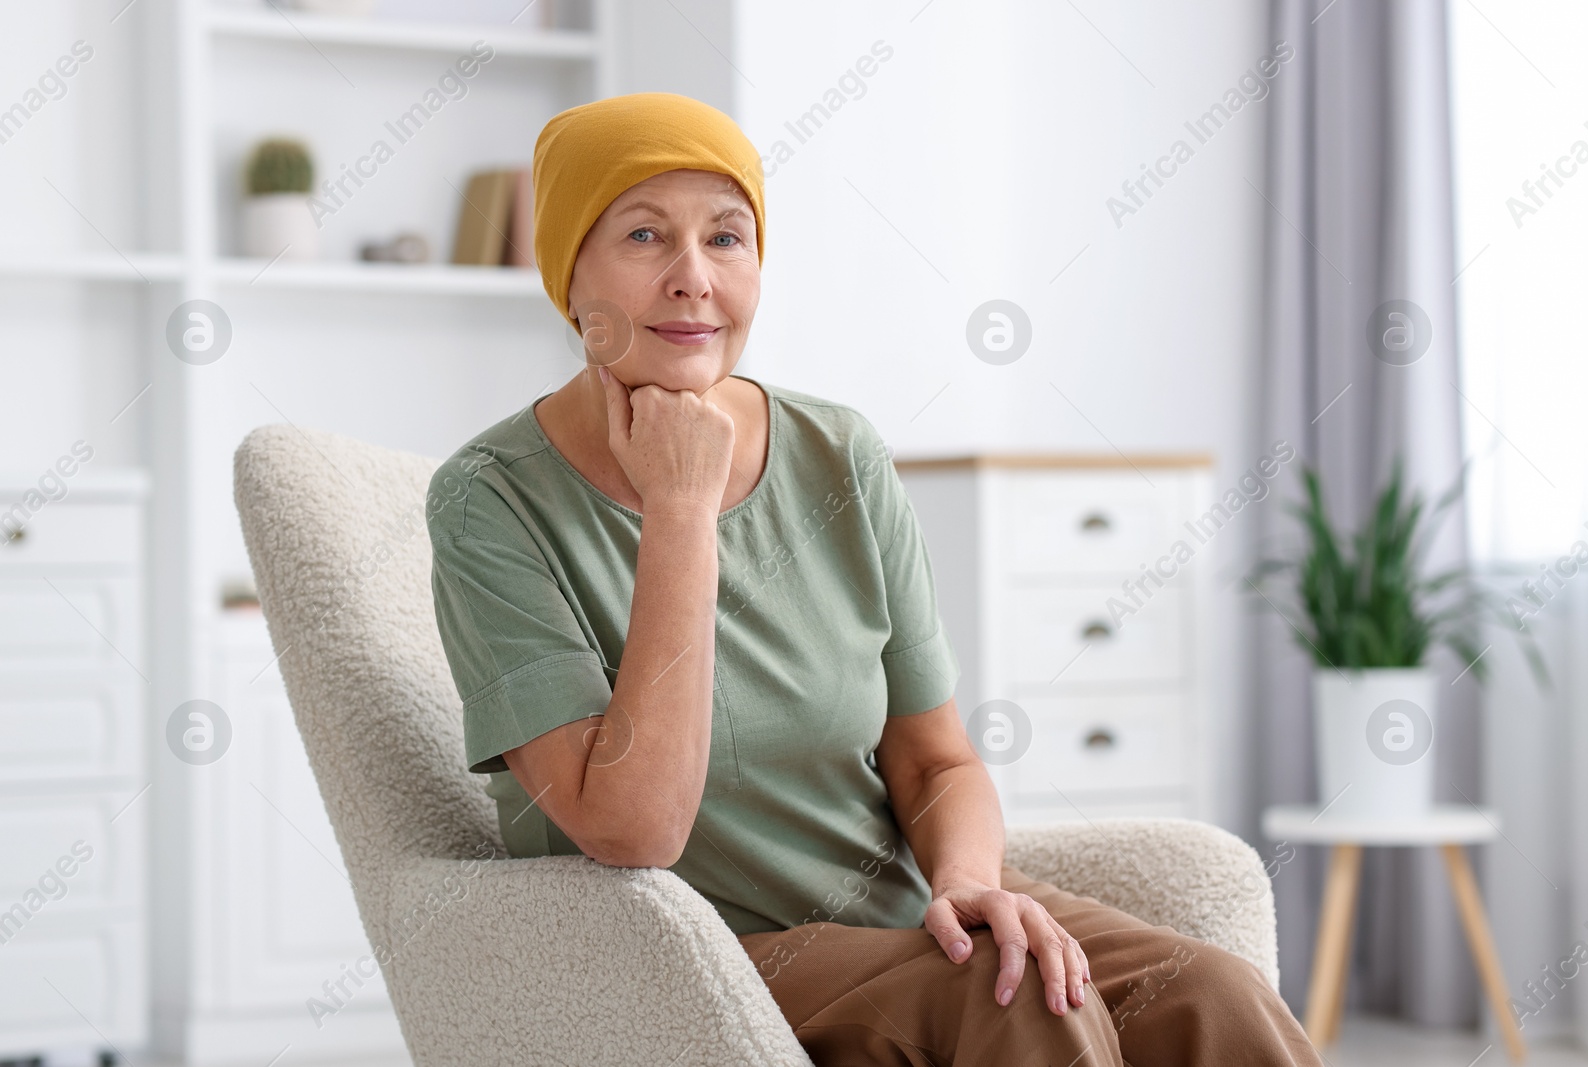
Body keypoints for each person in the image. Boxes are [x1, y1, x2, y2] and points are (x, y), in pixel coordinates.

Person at [426, 90, 1320, 1066]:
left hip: (897, 918)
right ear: (568, 277)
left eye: (727, 238)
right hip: (684, 954)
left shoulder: (839, 453)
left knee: (1210, 995)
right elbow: (633, 827)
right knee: (1016, 999)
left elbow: (935, 759)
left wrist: (969, 880)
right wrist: (679, 511)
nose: (693, 279)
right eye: (644, 235)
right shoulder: (490, 499)